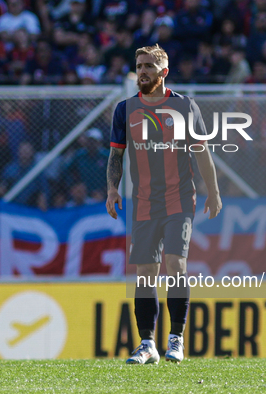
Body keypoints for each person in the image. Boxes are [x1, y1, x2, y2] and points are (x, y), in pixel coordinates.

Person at [106, 44, 222, 365]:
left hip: (179, 198)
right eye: (139, 66)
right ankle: (147, 345)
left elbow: (202, 153)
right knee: (144, 272)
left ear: (163, 73)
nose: (142, 71)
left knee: (175, 264)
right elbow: (116, 154)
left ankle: (176, 339)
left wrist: (213, 191)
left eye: (148, 67)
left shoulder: (185, 107)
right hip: (143, 201)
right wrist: (112, 190)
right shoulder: (124, 109)